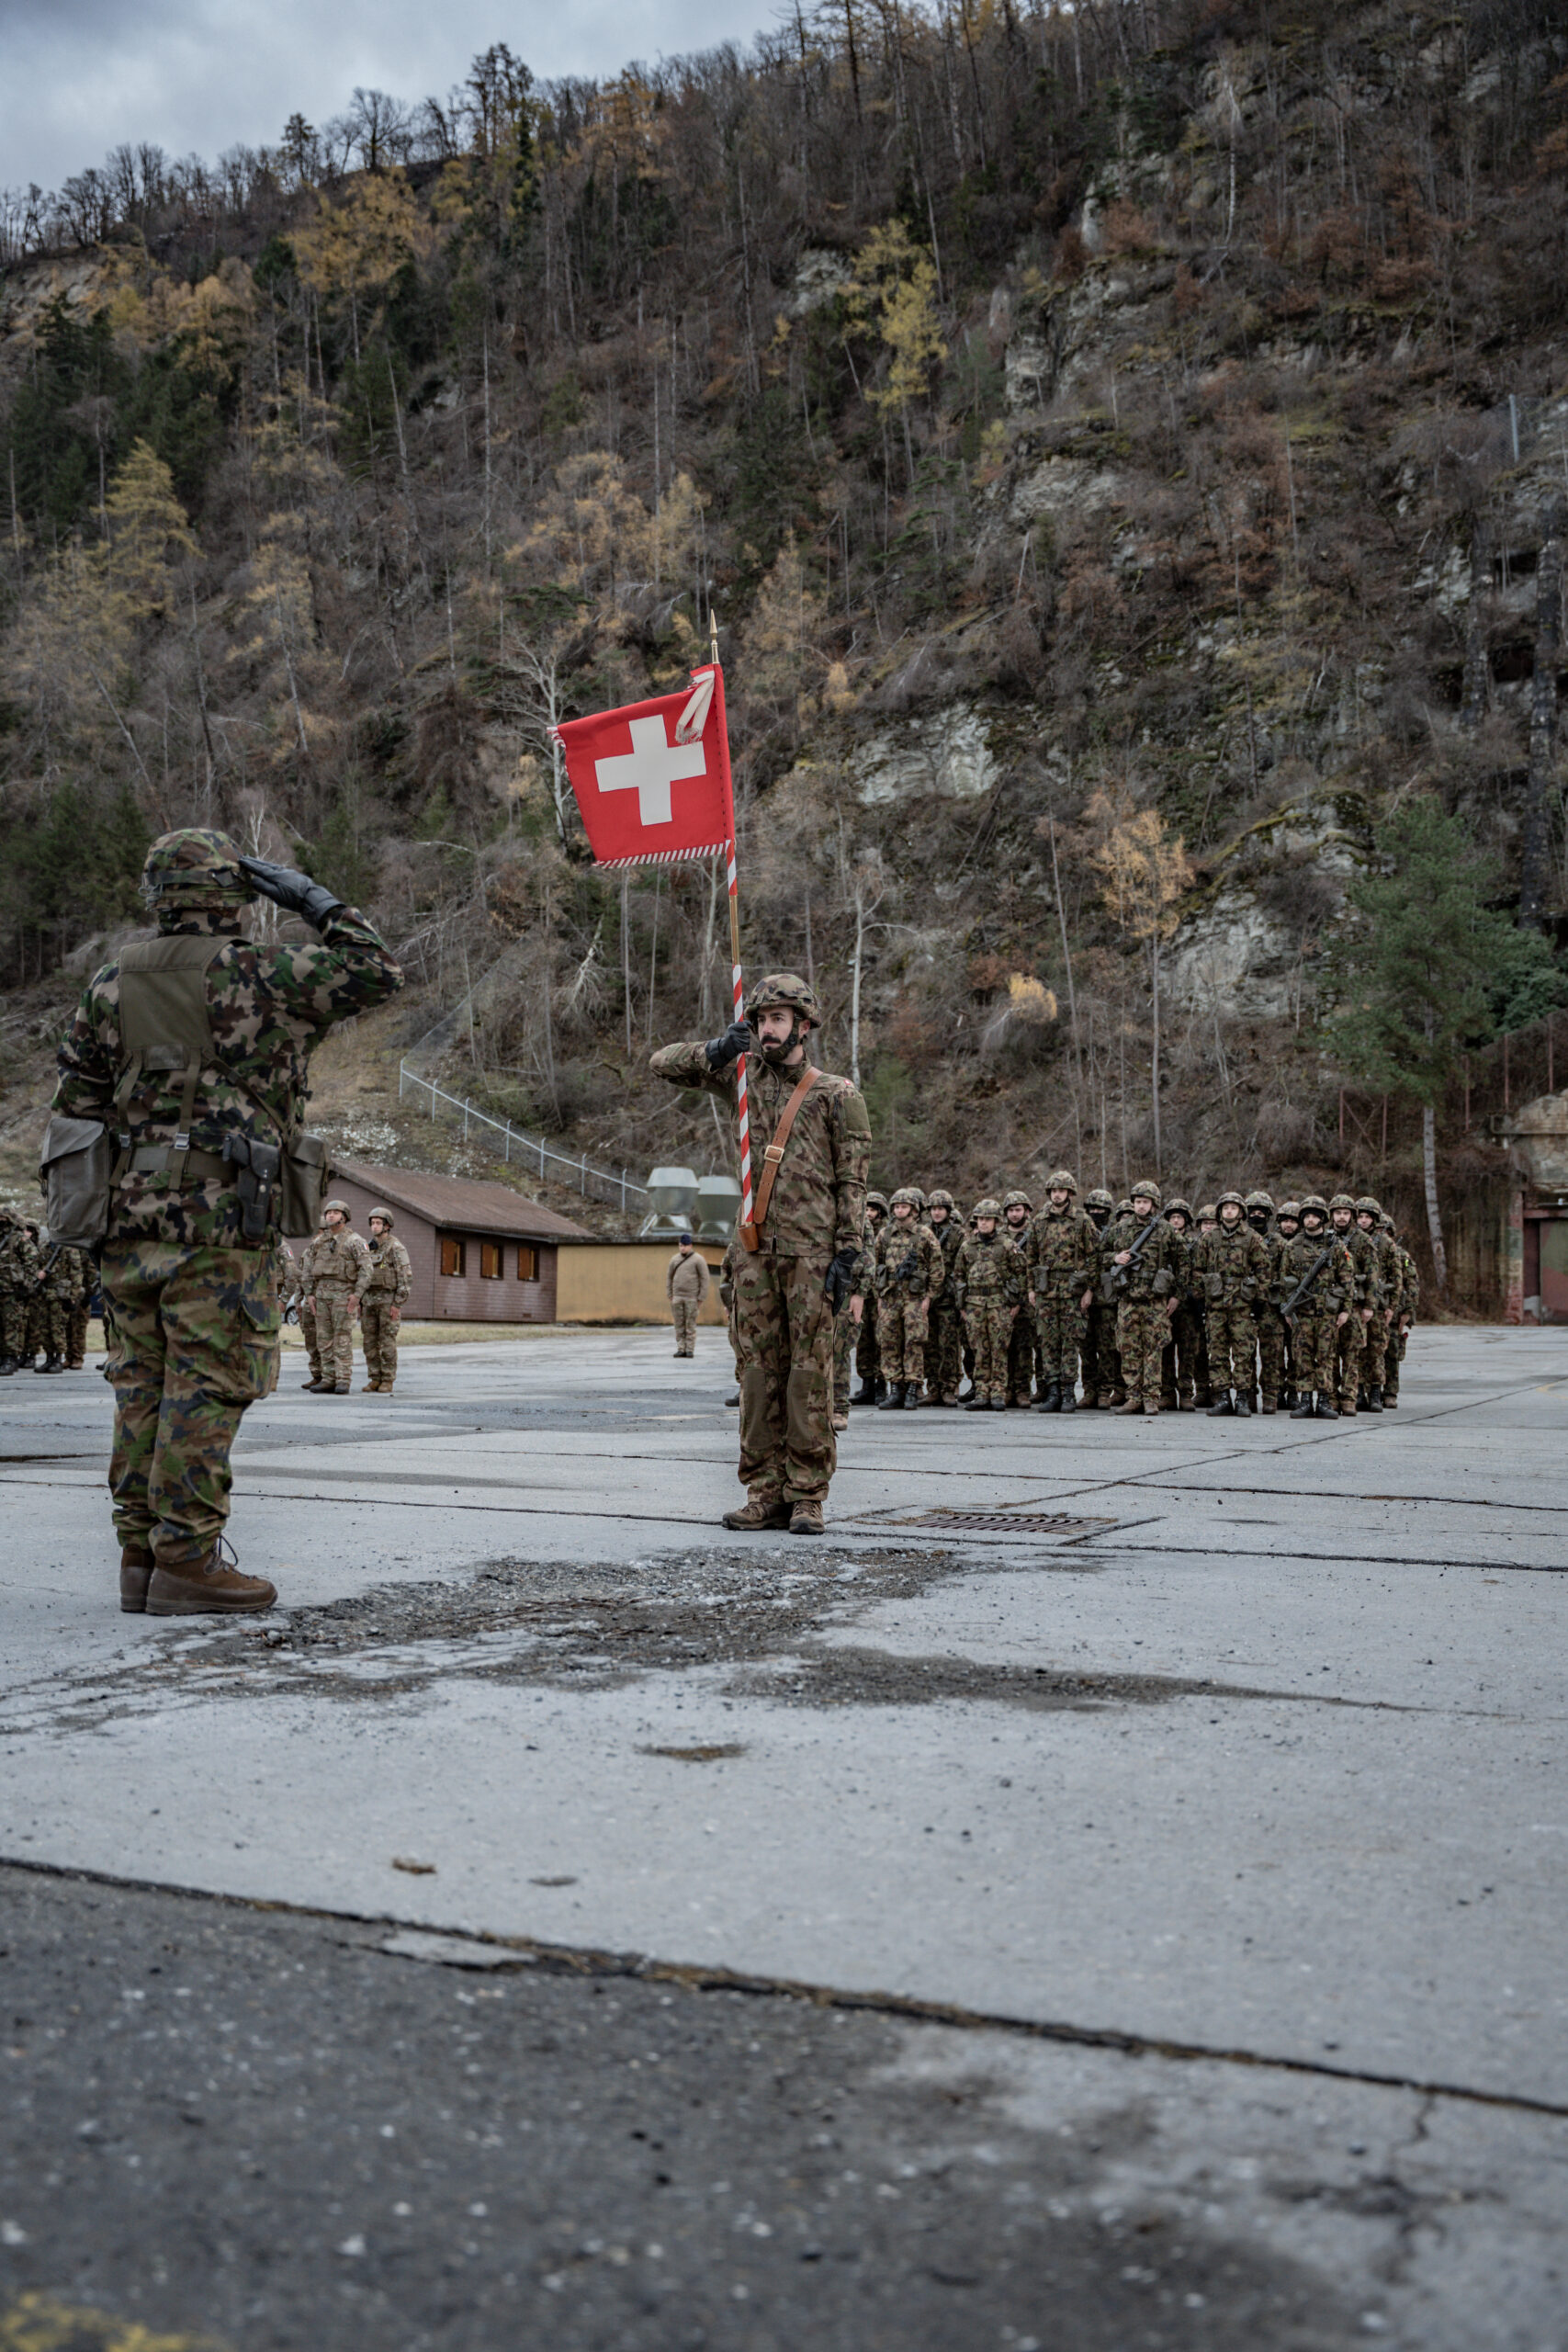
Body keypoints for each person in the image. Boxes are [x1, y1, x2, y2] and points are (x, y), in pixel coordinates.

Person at [51, 827, 401, 1615]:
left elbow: (76, 1105)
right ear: (235, 895)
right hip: (220, 1225)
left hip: (127, 1225)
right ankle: (187, 1560)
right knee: (206, 1388)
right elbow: (376, 970)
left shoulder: (109, 983)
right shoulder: (262, 972)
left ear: (158, 898)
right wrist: (312, 899)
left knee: (140, 1386)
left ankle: (139, 1557)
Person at [651, 973, 871, 1535]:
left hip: (812, 1256)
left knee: (808, 1378)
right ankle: (764, 1491)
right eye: (759, 1020)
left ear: (803, 1024)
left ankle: (807, 1494)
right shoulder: (741, 1078)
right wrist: (716, 1049)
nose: (766, 1029)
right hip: (753, 1253)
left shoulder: (837, 1094)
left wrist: (851, 1254)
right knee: (756, 1377)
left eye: (776, 1019)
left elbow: (852, 1181)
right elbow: (662, 1063)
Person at [1106, 1181, 1181, 1416]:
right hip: (1128, 1299)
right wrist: (1114, 1258)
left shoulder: (1166, 1230)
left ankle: (1151, 1398)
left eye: (1145, 1202)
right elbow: (1098, 1255)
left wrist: (1176, 1295)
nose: (1141, 1206)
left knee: (1153, 1349)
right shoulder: (1120, 1228)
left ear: (1153, 1204)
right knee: (1129, 1349)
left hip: (1154, 1300)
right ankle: (1133, 1396)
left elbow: (1183, 1262)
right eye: (1138, 1202)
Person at [1024, 1170, 1097, 1412]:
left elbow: (1093, 1258)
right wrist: (1031, 1289)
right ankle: (1053, 1391)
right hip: (1046, 1291)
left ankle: (1068, 1393)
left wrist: (1090, 1290)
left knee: (1070, 1343)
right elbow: (1031, 1258)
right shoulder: (1039, 1221)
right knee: (1048, 1342)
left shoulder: (1082, 1220)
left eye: (1061, 1191)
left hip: (1072, 1290)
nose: (1057, 1195)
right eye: (1054, 1191)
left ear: (1069, 1193)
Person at [1197, 1191, 1271, 1416]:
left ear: (1241, 1212)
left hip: (1242, 1306)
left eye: (1234, 1208)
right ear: (1220, 1212)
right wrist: (1200, 1298)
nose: (1229, 1211)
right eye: (1225, 1208)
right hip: (1216, 1305)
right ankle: (1222, 1397)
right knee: (1217, 1353)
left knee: (1243, 1354)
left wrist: (1259, 1301)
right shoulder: (1209, 1238)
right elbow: (1197, 1270)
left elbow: (1263, 1271)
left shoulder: (1252, 1238)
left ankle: (1242, 1398)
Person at [1279, 1197, 1353, 1419]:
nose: (1310, 1220)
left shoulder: (1335, 1246)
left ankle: (1324, 1401)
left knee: (1326, 1357)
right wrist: (1288, 1309)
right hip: (1302, 1313)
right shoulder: (1293, 1246)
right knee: (1302, 1357)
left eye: (1314, 1216)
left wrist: (1345, 1310)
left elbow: (1347, 1280)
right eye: (1307, 1216)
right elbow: (1285, 1280)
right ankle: (1305, 1401)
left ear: (1322, 1218)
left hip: (1327, 1312)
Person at [874, 1186, 943, 1409]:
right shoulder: (884, 1235)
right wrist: (878, 1295)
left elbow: (937, 1268)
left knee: (914, 1341)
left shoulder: (924, 1234)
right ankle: (895, 1388)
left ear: (914, 1210)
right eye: (896, 1207)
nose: (899, 1210)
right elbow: (875, 1265)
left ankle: (913, 1388)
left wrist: (929, 1296)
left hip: (915, 1296)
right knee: (888, 1340)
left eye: (904, 1207)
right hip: (890, 1295)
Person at [954, 1199, 1025, 1410]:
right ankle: (982, 1392)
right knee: (979, 1350)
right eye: (980, 1219)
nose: (983, 1223)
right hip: (974, 1305)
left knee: (999, 1350)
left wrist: (1015, 1304)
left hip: (999, 1304)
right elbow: (958, 1276)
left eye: (988, 1219)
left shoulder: (1007, 1245)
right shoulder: (967, 1246)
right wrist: (962, 1306)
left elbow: (1021, 1274)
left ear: (996, 1221)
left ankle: (998, 1393)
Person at [309, 1200, 372, 1395]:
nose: (330, 1215)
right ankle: (328, 1379)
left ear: (344, 1217)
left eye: (335, 1212)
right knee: (323, 1339)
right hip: (321, 1296)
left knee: (342, 1339)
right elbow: (308, 1269)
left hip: (344, 1297)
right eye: (328, 1212)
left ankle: (343, 1379)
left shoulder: (355, 1241)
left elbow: (367, 1270)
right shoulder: (319, 1242)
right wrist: (310, 1293)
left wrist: (357, 1295)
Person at [1328, 1192, 1382, 1417]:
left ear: (1352, 1215)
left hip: (1356, 1306)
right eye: (1338, 1213)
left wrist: (1369, 1306)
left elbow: (1372, 1276)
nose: (1341, 1217)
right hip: (1330, 1305)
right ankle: (1331, 1397)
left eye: (1345, 1213)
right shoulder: (1326, 1237)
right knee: (1329, 1354)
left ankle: (1349, 1398)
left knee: (1352, 1355)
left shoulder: (1363, 1240)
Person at [1161, 1198, 1206, 1410]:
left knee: (1188, 1352)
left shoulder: (1196, 1244)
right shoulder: (1161, 1242)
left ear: (1186, 1220)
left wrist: (1193, 1295)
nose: (1176, 1221)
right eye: (1172, 1217)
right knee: (1165, 1351)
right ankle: (1167, 1393)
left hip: (1188, 1307)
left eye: (1179, 1217)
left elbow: (1199, 1272)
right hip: (1165, 1305)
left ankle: (1186, 1393)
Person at [1354, 1196, 1399, 1410]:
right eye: (1360, 1216)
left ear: (1374, 1219)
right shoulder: (1351, 1240)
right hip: (1356, 1304)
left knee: (1376, 1350)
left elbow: (1396, 1277)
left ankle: (1375, 1392)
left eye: (1367, 1217)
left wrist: (1392, 1307)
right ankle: (1358, 1391)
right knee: (1357, 1350)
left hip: (1379, 1306)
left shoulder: (1385, 1243)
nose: (1363, 1220)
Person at [923, 1189, 966, 1406]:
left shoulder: (958, 1234)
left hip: (949, 1298)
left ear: (948, 1210)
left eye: (940, 1209)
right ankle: (933, 1387)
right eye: (933, 1209)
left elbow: (963, 1265)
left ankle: (948, 1387)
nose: (937, 1212)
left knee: (948, 1344)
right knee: (929, 1344)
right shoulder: (924, 1232)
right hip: (929, 1296)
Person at [363, 1207, 413, 1391]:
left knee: (387, 1342)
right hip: (369, 1301)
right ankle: (374, 1377)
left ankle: (388, 1379)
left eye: (378, 1223)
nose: (374, 1226)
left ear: (387, 1226)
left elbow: (405, 1277)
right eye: (372, 1223)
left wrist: (398, 1303)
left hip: (388, 1301)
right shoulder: (368, 1248)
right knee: (369, 1342)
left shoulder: (396, 1247)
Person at [1079, 1187, 1122, 1407]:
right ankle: (1089, 1390)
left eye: (1101, 1209)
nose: (1096, 1212)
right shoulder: (1081, 1229)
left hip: (1106, 1299)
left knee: (1107, 1348)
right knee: (1086, 1348)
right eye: (1093, 1209)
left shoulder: (1115, 1232)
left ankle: (1105, 1390)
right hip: (1082, 1297)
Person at [1246, 1190, 1287, 1413]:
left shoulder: (1280, 1244)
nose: (1256, 1216)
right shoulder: (1240, 1241)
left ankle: (1271, 1395)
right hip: (1245, 1305)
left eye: (1261, 1213)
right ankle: (1248, 1395)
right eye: (1252, 1212)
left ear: (1269, 1216)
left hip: (1271, 1306)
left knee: (1272, 1354)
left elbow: (1288, 1275)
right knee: (1245, 1354)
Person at [851, 1190, 889, 1404]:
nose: (869, 1213)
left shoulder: (886, 1233)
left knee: (880, 1338)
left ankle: (881, 1385)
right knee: (862, 1339)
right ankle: (867, 1384)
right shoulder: (857, 1230)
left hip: (880, 1294)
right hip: (861, 1292)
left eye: (873, 1209)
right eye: (866, 1208)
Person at [999, 1190, 1036, 1407]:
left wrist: (1021, 1301)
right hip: (1002, 1300)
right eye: (1011, 1210)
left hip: (1026, 1301)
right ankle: (1006, 1389)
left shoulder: (1035, 1233)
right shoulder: (1000, 1235)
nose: (1015, 1214)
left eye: (1018, 1210)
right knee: (1004, 1348)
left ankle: (1023, 1390)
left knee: (1024, 1348)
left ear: (1027, 1211)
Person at [666, 1230, 711, 1359]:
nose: (682, 1248)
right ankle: (681, 1348)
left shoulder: (698, 1259)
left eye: (685, 1245)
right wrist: (670, 1294)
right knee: (678, 1324)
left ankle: (690, 1349)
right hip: (677, 1297)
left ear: (690, 1245)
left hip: (692, 1297)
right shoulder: (674, 1259)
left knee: (690, 1324)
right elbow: (669, 1277)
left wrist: (701, 1297)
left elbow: (704, 1279)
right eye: (681, 1245)